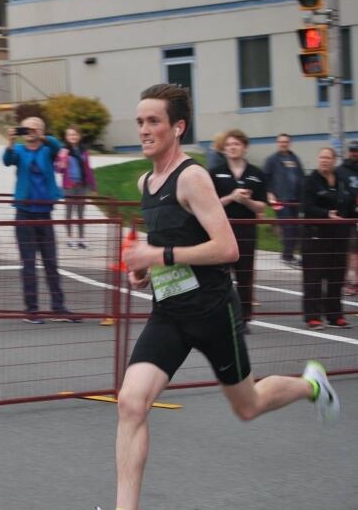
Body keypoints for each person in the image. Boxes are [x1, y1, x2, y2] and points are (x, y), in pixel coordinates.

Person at [115, 84, 340, 510]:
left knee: (248, 406)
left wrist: (158, 253)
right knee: (130, 403)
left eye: (154, 121)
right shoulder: (148, 181)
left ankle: (311, 385)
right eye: (140, 121)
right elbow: (167, 238)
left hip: (212, 311)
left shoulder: (193, 177)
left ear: (177, 127)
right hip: (169, 314)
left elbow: (228, 249)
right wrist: (144, 269)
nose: (144, 129)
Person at [3, 117, 77, 323]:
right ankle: (32, 310)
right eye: (27, 128)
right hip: (24, 213)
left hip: (44, 213)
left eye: (34, 129)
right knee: (28, 264)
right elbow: (6, 160)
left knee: (51, 262)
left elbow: (59, 147)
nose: (30, 132)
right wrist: (9, 141)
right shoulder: (19, 150)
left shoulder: (47, 149)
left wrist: (42, 137)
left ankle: (58, 307)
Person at [209, 129, 267, 326]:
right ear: (224, 149)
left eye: (236, 144)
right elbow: (209, 203)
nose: (232, 148)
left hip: (246, 229)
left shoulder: (256, 174)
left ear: (244, 147)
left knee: (245, 274)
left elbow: (262, 205)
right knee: (219, 274)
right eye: (228, 145)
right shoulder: (215, 172)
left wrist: (247, 202)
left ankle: (244, 318)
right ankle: (219, 316)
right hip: (222, 228)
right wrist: (231, 197)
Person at [301, 147, 354, 329]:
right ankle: (313, 317)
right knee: (314, 277)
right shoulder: (310, 181)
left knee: (336, 276)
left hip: (339, 236)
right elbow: (306, 207)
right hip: (316, 236)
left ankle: (334, 315)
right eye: (322, 157)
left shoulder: (342, 181)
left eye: (328, 158)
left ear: (334, 160)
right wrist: (326, 214)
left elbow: (348, 203)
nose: (324, 160)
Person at [264, 133, 305, 267]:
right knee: (288, 226)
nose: (283, 144)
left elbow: (301, 178)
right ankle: (287, 256)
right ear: (277, 143)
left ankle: (290, 254)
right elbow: (266, 179)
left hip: (295, 200)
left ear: (289, 143)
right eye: (281, 142)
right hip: (279, 200)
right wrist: (269, 194)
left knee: (296, 227)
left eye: (286, 141)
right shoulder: (272, 160)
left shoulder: (295, 159)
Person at [55, 125, 97, 249]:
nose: (72, 137)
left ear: (79, 136)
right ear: (66, 137)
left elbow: (88, 169)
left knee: (81, 213)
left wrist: (93, 186)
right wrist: (61, 163)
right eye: (70, 135)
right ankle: (70, 238)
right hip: (69, 185)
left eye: (75, 134)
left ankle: (81, 238)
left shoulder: (84, 151)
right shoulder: (63, 150)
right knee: (69, 212)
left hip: (82, 186)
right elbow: (57, 169)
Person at [336, 141, 358, 295]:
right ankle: (349, 282)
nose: (354, 153)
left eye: (356, 151)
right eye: (352, 150)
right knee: (349, 250)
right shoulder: (341, 170)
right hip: (347, 216)